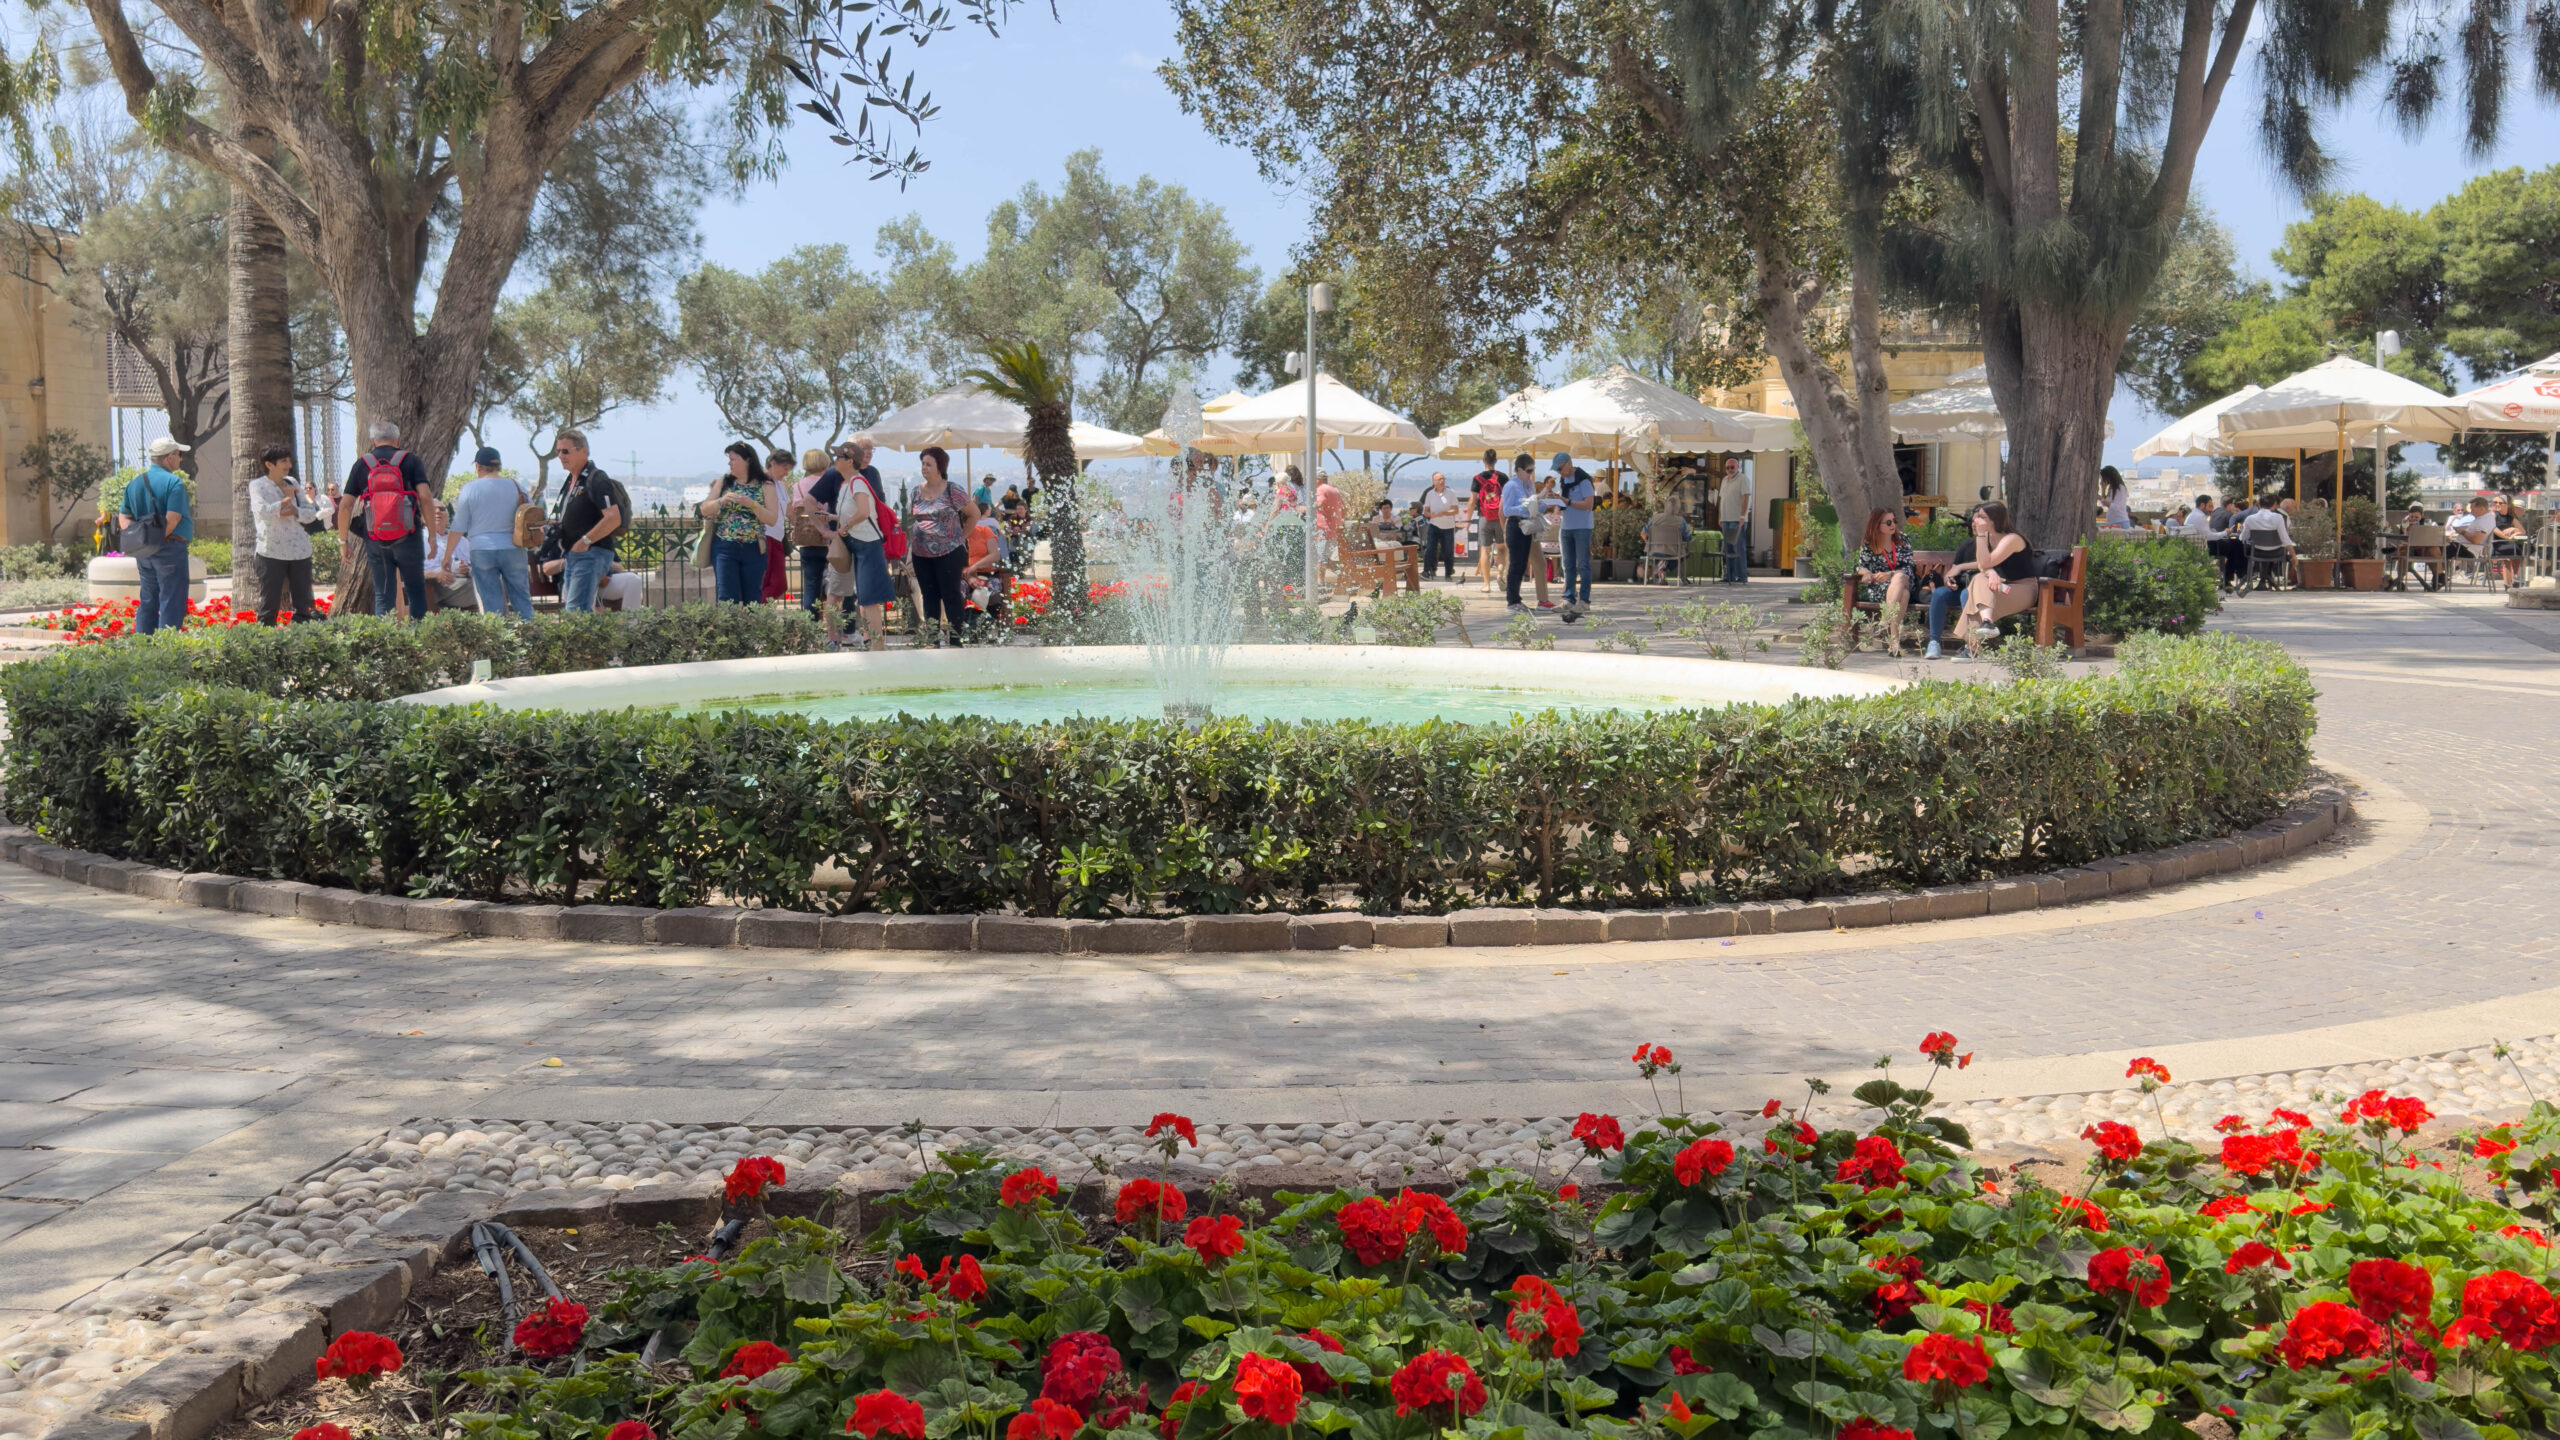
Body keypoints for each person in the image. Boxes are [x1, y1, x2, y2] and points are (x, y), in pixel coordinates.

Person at [340, 420, 436, 620]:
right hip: (409, 536)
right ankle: (418, 640)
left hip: (376, 539)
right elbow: (426, 497)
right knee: (416, 590)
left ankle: (384, 643)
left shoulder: (363, 464)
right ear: (397, 440)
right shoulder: (411, 461)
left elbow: (345, 505)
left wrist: (343, 542)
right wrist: (432, 536)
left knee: (383, 593)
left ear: (373, 441)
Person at [1923, 503, 2031, 659]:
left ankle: (1972, 644)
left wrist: (1987, 568)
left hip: (2018, 588)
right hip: (1992, 588)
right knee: (1973, 585)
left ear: (1995, 520)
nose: (1976, 521)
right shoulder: (1981, 540)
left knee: (1972, 591)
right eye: (1975, 518)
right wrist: (1987, 570)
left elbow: (1985, 563)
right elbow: (1983, 565)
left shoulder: (2011, 539)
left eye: (1981, 517)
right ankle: (1981, 631)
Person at [447, 446, 534, 619]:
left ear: (478, 467)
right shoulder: (517, 487)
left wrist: (446, 556)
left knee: (491, 601)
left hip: (482, 549)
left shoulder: (470, 489)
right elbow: (531, 515)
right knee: (521, 598)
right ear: (499, 466)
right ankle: (530, 638)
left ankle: (498, 642)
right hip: (514, 548)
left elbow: (458, 527)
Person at [908, 445, 979, 644]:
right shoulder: (915, 491)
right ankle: (933, 640)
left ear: (940, 466)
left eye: (928, 464)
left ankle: (956, 640)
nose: (924, 467)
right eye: (922, 463)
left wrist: (960, 537)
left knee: (951, 595)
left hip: (949, 553)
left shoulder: (952, 490)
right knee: (929, 596)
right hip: (921, 554)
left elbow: (974, 514)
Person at [246, 443, 322, 626]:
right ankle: (266, 639)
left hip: (299, 551)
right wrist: (286, 500)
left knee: (304, 602)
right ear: (269, 464)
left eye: (289, 460)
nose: (288, 465)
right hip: (271, 551)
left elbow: (310, 513)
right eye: (283, 461)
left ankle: (302, 636)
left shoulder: (292, 482)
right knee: (269, 602)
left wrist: (292, 510)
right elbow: (262, 512)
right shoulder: (257, 486)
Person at [828, 449, 895, 651]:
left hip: (867, 544)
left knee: (869, 598)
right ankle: (875, 643)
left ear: (849, 461)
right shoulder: (846, 485)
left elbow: (864, 511)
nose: (835, 461)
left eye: (839, 457)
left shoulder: (857, 482)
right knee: (866, 598)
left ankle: (877, 644)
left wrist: (845, 526)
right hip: (859, 544)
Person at [550, 429, 622, 613]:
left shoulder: (596, 478)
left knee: (576, 611)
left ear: (583, 450)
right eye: (558, 451)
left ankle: (585, 642)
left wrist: (585, 542)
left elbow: (613, 518)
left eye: (565, 451)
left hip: (590, 553)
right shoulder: (571, 481)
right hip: (573, 554)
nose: (560, 456)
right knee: (576, 610)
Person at [701, 441, 776, 604]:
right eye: (729, 460)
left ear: (747, 460)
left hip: (754, 548)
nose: (730, 464)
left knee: (753, 599)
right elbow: (704, 509)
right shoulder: (724, 482)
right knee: (727, 597)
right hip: (724, 547)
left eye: (733, 459)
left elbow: (772, 519)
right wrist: (721, 501)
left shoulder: (765, 485)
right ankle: (729, 630)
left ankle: (751, 629)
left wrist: (753, 504)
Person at [1851, 508, 1915, 651]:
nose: (1893, 524)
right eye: (1888, 522)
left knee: (1899, 577)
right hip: (1880, 588)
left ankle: (1885, 618)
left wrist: (1890, 574)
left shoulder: (1903, 540)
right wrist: (1866, 573)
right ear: (1876, 525)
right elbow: (1862, 566)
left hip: (1904, 580)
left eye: (1894, 521)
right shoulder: (1869, 544)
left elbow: (1908, 567)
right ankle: (1894, 641)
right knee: (1904, 595)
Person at [1552, 451, 1596, 619]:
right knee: (1568, 564)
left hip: (1582, 527)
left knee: (1583, 564)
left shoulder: (1584, 480)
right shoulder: (1563, 480)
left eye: (1561, 468)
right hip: (1566, 526)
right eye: (1557, 470)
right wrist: (1555, 500)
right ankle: (1569, 598)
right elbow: (1563, 502)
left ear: (1569, 464)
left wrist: (1567, 501)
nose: (1559, 472)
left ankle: (1584, 601)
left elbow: (1589, 504)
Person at [760, 450, 797, 603]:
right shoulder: (759, 482)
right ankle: (755, 608)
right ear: (773, 464)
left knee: (779, 584)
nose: (786, 473)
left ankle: (757, 605)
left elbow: (788, 510)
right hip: (765, 535)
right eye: (785, 468)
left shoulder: (780, 485)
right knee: (765, 579)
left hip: (777, 537)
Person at [1469, 449, 1507, 593]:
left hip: (1484, 517)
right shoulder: (1503, 477)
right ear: (1496, 460)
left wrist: (1467, 520)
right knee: (1502, 549)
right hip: (1500, 518)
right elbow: (1508, 498)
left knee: (1485, 550)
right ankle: (1500, 574)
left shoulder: (1477, 478)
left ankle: (1486, 584)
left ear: (1484, 460)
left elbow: (1472, 501)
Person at [1420, 471, 1464, 579]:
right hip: (1434, 525)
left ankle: (1448, 573)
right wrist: (1430, 515)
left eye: (1443, 479)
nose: (1442, 481)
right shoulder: (1430, 494)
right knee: (1430, 549)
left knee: (1448, 551)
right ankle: (1426, 571)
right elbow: (1425, 510)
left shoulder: (1450, 493)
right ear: (1434, 482)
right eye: (1439, 479)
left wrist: (1443, 513)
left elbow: (1455, 510)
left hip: (1448, 527)